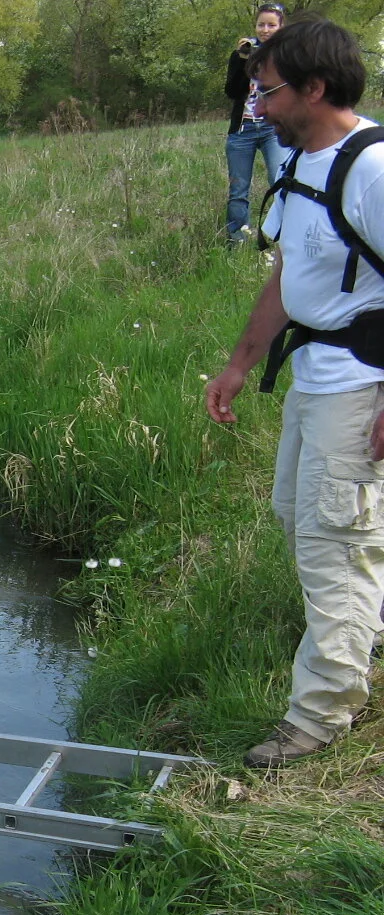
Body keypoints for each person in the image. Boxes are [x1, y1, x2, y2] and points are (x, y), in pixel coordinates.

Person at [205, 18, 384, 768]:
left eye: (268, 87)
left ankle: (318, 718)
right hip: (314, 379)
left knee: (333, 545)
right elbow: (289, 274)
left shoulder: (372, 169)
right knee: (303, 517)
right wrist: (242, 361)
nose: (258, 101)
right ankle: (357, 634)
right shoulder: (303, 162)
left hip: (360, 383)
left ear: (314, 88)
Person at [224, 3, 290, 243]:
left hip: (275, 128)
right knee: (238, 190)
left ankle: (282, 236)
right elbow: (231, 91)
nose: (265, 29)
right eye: (261, 24)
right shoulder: (243, 52)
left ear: (281, 27)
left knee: (281, 181)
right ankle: (237, 240)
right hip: (243, 129)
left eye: (271, 25)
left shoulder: (288, 54)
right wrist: (244, 60)